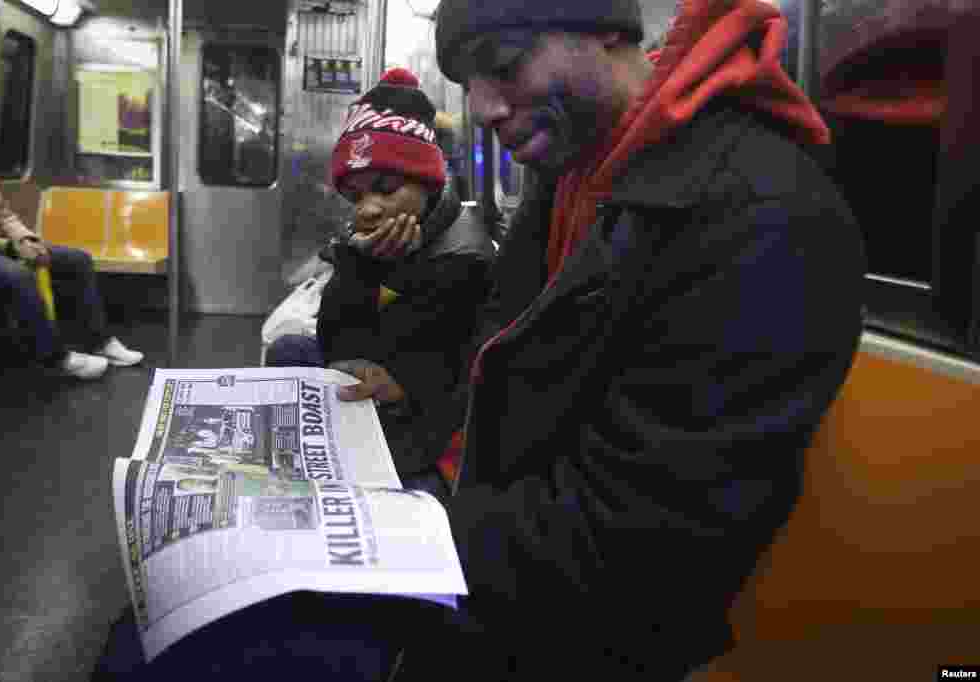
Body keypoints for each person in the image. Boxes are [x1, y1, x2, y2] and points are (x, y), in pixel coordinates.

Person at [326, 0, 866, 678]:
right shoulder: (571, 174)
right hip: (494, 557)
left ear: (608, 29)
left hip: (580, 633)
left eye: (503, 65)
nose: (484, 108)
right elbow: (499, 365)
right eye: (468, 85)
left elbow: (642, 538)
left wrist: (399, 536)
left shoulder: (762, 216)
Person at [267, 68, 495, 492]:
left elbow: (440, 372)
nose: (368, 209)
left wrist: (400, 387)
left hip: (426, 418)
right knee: (288, 350)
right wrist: (359, 266)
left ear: (427, 185)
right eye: (355, 196)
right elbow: (338, 343)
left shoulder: (463, 257)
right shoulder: (377, 241)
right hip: (377, 377)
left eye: (386, 189)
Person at [0, 142, 143, 379]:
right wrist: (8, 247)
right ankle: (55, 358)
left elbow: (3, 214)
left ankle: (98, 341)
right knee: (18, 275)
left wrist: (26, 239)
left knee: (77, 260)